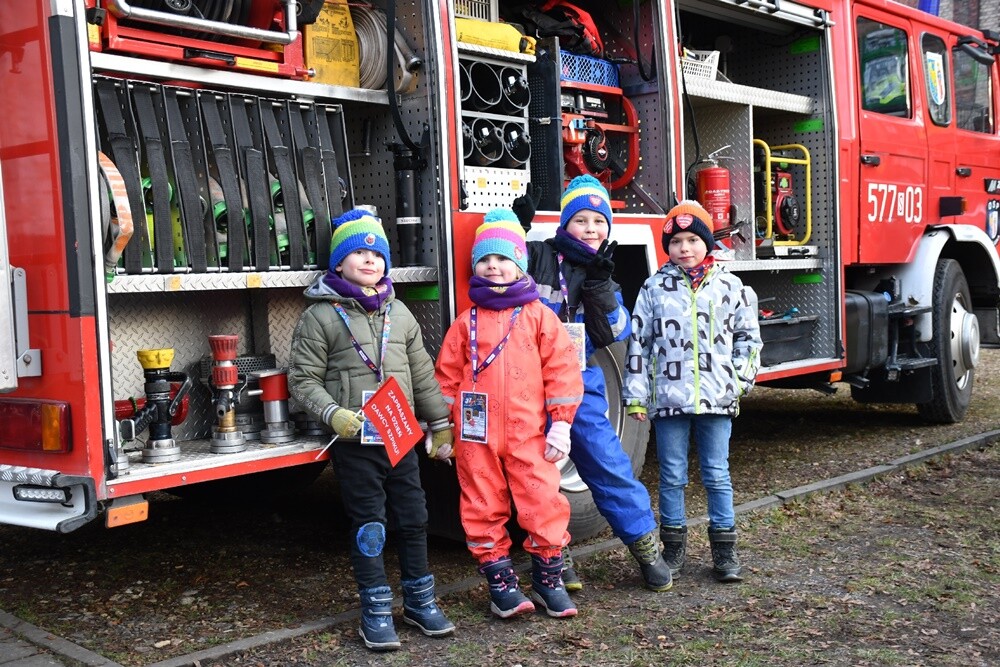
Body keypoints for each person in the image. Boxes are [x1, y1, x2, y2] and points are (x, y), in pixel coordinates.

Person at [288, 209, 456, 651]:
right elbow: (301, 379)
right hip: (356, 438)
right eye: (358, 252)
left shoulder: (399, 314)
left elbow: (421, 374)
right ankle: (376, 610)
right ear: (338, 263)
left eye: (376, 253)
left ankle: (420, 602)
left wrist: (439, 425)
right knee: (370, 523)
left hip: (400, 436)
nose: (369, 260)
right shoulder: (320, 317)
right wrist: (332, 415)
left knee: (415, 517)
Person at [517, 174, 672, 592]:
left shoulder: (603, 271)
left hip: (577, 379)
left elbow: (615, 331)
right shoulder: (537, 255)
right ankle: (555, 553)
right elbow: (500, 267)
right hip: (528, 381)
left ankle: (645, 546)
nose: (590, 229)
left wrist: (602, 287)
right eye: (580, 220)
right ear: (565, 224)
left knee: (606, 461)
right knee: (539, 471)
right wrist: (515, 226)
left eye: (598, 221)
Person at [434, 210, 584, 619]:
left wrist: (562, 424)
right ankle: (500, 582)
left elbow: (563, 372)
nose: (493, 266)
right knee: (481, 504)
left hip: (529, 434)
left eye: (502, 259)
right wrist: (443, 429)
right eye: (485, 260)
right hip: (473, 437)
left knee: (542, 499)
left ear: (519, 265)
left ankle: (549, 577)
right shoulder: (465, 323)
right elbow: (446, 379)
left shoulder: (539, 317)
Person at [622, 200, 762, 582]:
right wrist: (636, 395)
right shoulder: (653, 288)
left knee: (717, 474)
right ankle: (674, 547)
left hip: (717, 399)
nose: (685, 248)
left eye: (692, 240)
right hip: (670, 399)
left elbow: (749, 339)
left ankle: (724, 551)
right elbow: (639, 345)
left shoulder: (731, 286)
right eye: (676, 241)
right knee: (671, 475)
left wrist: (739, 380)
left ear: (707, 242)